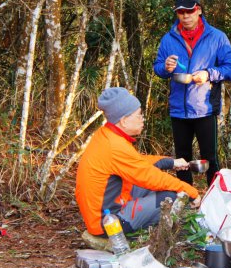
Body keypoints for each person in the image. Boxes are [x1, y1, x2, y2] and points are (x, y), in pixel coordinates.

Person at [75, 87, 200, 236]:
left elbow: (138, 162)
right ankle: (177, 232)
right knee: (172, 197)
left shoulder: (107, 135)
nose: (142, 119)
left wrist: (171, 163)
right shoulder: (115, 146)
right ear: (124, 121)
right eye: (139, 115)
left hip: (108, 207)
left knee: (165, 188)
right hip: (108, 222)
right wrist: (191, 192)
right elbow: (151, 177)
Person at [153, 0, 231, 186]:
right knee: (181, 160)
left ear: (198, 10)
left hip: (204, 108)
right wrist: (165, 68)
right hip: (178, 110)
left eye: (189, 11)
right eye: (181, 12)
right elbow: (158, 67)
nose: (185, 16)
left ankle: (213, 202)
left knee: (211, 158)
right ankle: (186, 200)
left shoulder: (217, 37)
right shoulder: (168, 39)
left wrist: (209, 74)